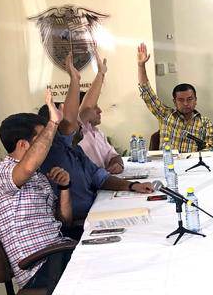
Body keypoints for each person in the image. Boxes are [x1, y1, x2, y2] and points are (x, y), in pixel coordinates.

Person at [42, 59, 155, 225]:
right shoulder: (55, 152)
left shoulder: (75, 149)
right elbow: (80, 113)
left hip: (97, 207)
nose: (77, 124)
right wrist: (75, 80)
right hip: (81, 222)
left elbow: (99, 177)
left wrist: (132, 186)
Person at [0, 91, 73, 292]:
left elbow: (65, 220)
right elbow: (25, 168)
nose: (49, 142)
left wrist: (65, 187)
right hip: (38, 267)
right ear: (23, 145)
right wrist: (53, 123)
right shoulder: (1, 172)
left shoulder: (38, 176)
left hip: (58, 250)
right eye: (42, 138)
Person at [137, 42, 213, 153]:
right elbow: (147, 93)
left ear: (195, 100)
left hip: (192, 162)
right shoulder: (165, 115)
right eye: (181, 100)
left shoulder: (205, 123)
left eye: (189, 99)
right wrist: (141, 66)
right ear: (174, 102)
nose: (186, 103)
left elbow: (210, 150)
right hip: (168, 161)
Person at [78, 53, 124, 174]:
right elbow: (87, 107)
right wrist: (100, 74)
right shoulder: (79, 132)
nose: (100, 111)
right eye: (96, 107)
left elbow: (114, 155)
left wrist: (117, 164)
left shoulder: (98, 133)